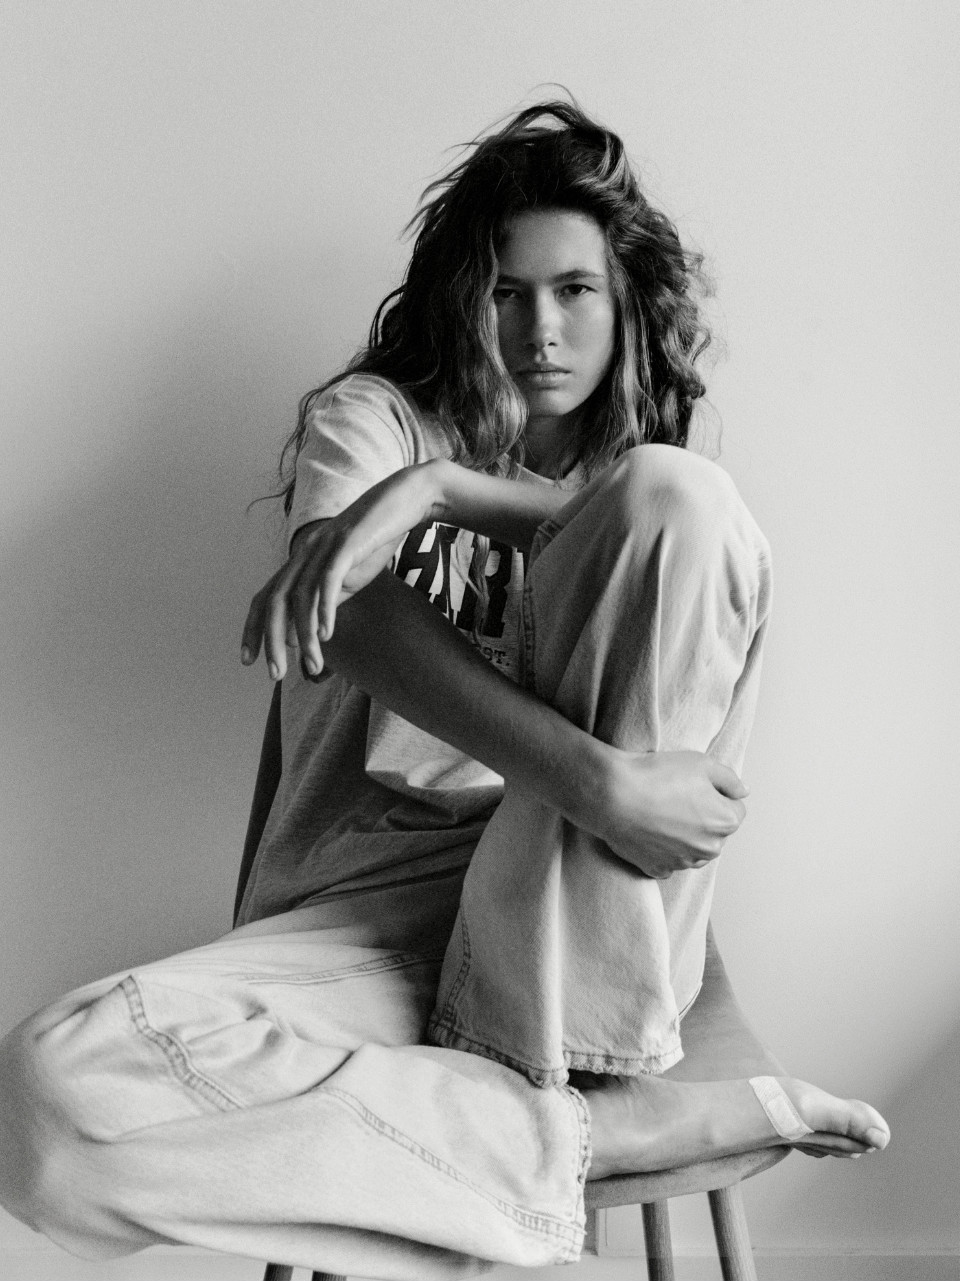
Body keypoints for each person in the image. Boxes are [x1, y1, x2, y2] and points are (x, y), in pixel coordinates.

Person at [0, 101, 889, 1278]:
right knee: (47, 1095)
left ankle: (535, 1096)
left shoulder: (641, 492)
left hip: (574, 913)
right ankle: (577, 1137)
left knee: (683, 499)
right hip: (372, 916)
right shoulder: (373, 422)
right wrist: (599, 782)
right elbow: (355, 616)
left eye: (575, 291)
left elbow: (661, 530)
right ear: (461, 296)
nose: (540, 330)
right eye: (506, 292)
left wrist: (445, 496)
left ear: (625, 304)